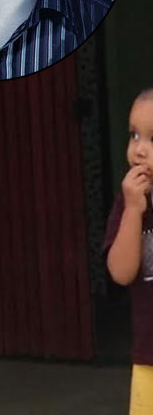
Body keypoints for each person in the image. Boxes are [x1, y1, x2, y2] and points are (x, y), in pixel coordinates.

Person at [105, 89, 153, 415]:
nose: (139, 149)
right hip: (149, 358)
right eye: (134, 135)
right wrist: (134, 211)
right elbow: (121, 273)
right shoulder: (130, 202)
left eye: (152, 138)